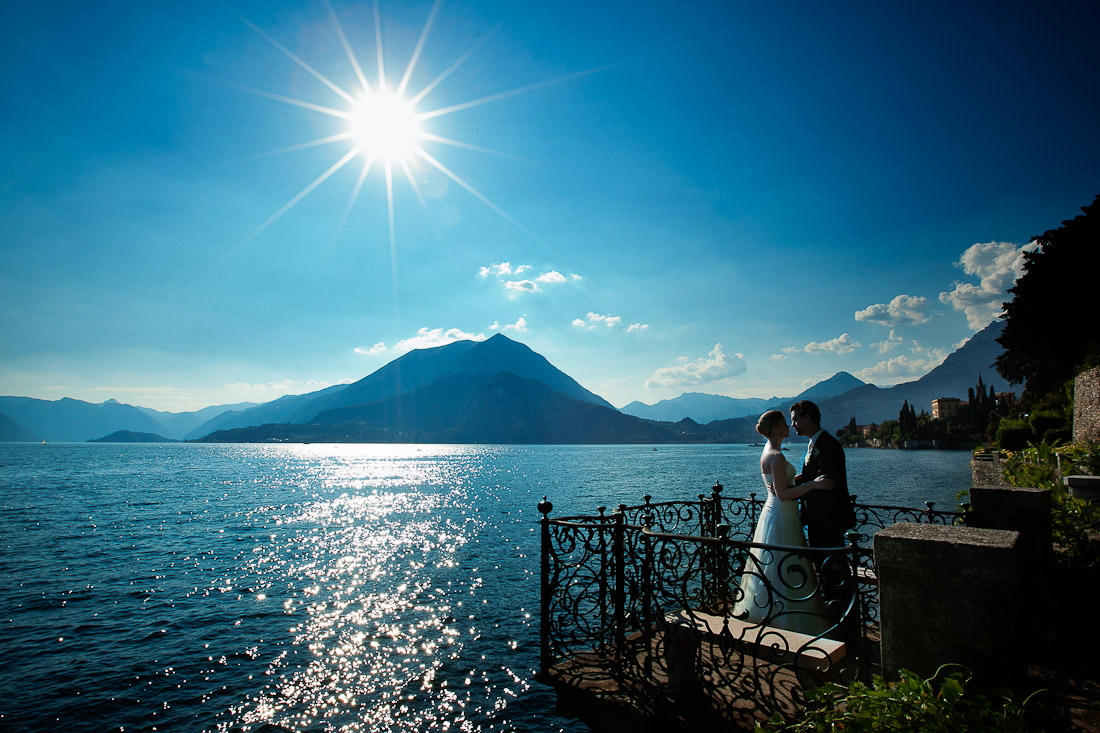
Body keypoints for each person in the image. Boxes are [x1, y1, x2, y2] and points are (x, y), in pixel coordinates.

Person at [733, 410, 833, 635]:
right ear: (776, 429)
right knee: (785, 563)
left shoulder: (768, 450)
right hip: (781, 513)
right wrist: (813, 485)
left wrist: (798, 480)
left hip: (774, 512)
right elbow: (783, 494)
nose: (790, 426)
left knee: (774, 564)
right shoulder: (777, 456)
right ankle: (789, 620)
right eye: (785, 424)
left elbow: (780, 484)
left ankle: (766, 610)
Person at [789, 400, 856, 548]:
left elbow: (825, 482)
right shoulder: (816, 443)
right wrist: (788, 483)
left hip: (828, 519)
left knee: (830, 559)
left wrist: (790, 491)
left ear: (807, 417)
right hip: (819, 519)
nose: (792, 425)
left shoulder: (828, 446)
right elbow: (814, 477)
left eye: (795, 420)